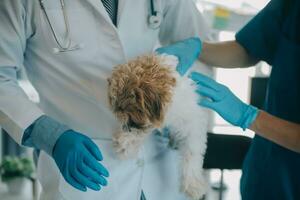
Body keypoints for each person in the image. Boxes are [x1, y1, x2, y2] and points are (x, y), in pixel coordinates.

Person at [0, 0, 210, 199]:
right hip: (85, 166)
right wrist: (49, 134)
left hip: (160, 163)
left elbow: (200, 46)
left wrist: (179, 100)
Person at [158, 0, 300, 199]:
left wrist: (249, 116)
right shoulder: (292, 6)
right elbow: (248, 48)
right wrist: (199, 48)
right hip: (266, 172)